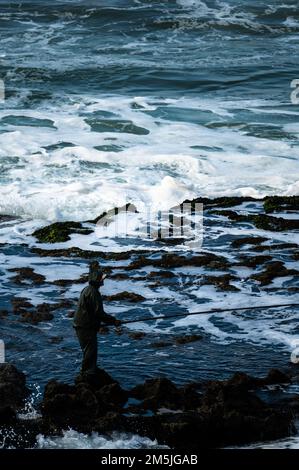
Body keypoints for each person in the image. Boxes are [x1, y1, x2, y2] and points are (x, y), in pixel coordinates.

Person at [73, 261, 120, 377]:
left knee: (89, 351)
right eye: (101, 279)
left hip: (81, 325)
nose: (103, 280)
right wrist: (114, 321)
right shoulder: (94, 293)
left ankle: (87, 373)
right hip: (85, 327)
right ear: (97, 281)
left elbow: (93, 313)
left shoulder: (87, 289)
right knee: (90, 351)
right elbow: (99, 313)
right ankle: (87, 375)